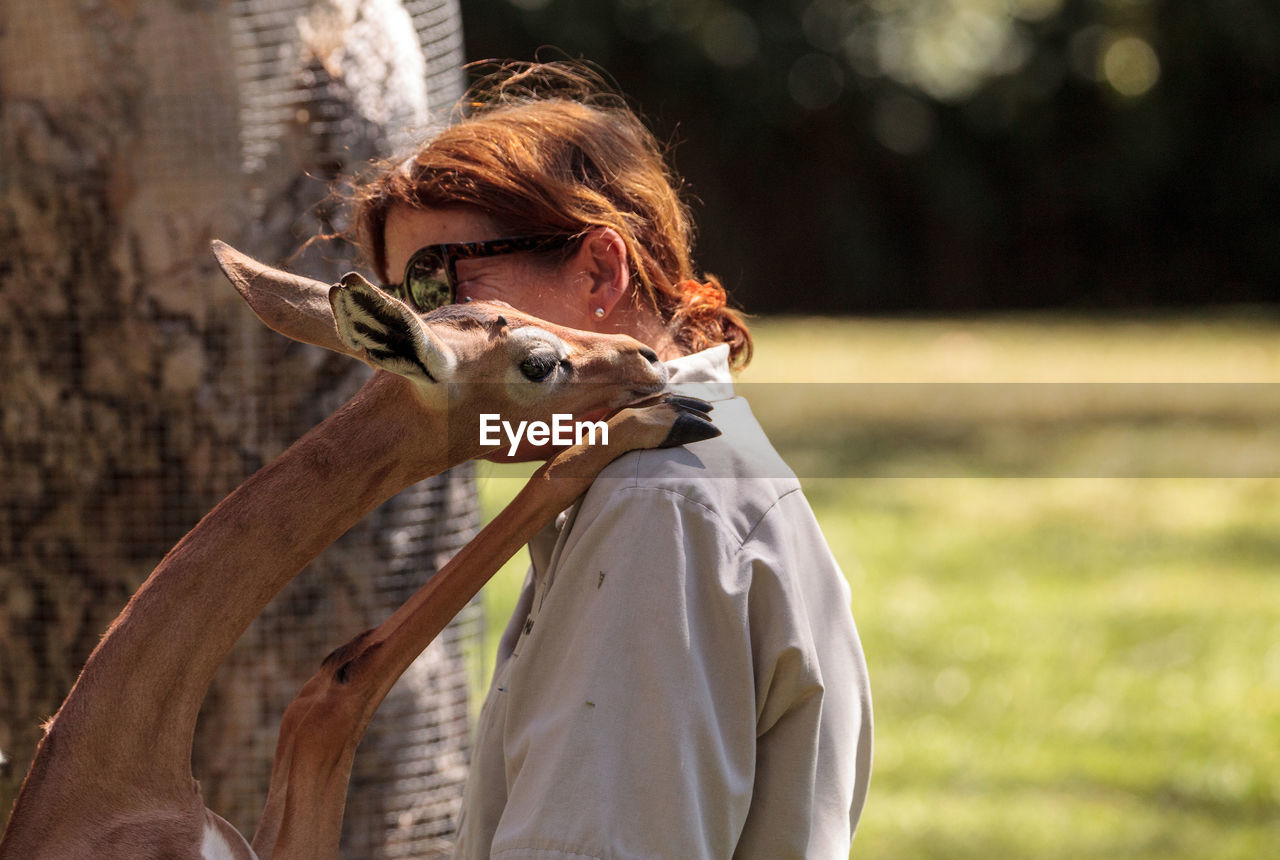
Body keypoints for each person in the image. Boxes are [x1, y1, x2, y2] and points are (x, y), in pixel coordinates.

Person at [349, 60, 873, 858]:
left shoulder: (651, 503)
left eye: (439, 286)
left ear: (600, 268)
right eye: (395, 308)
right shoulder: (647, 474)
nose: (421, 347)